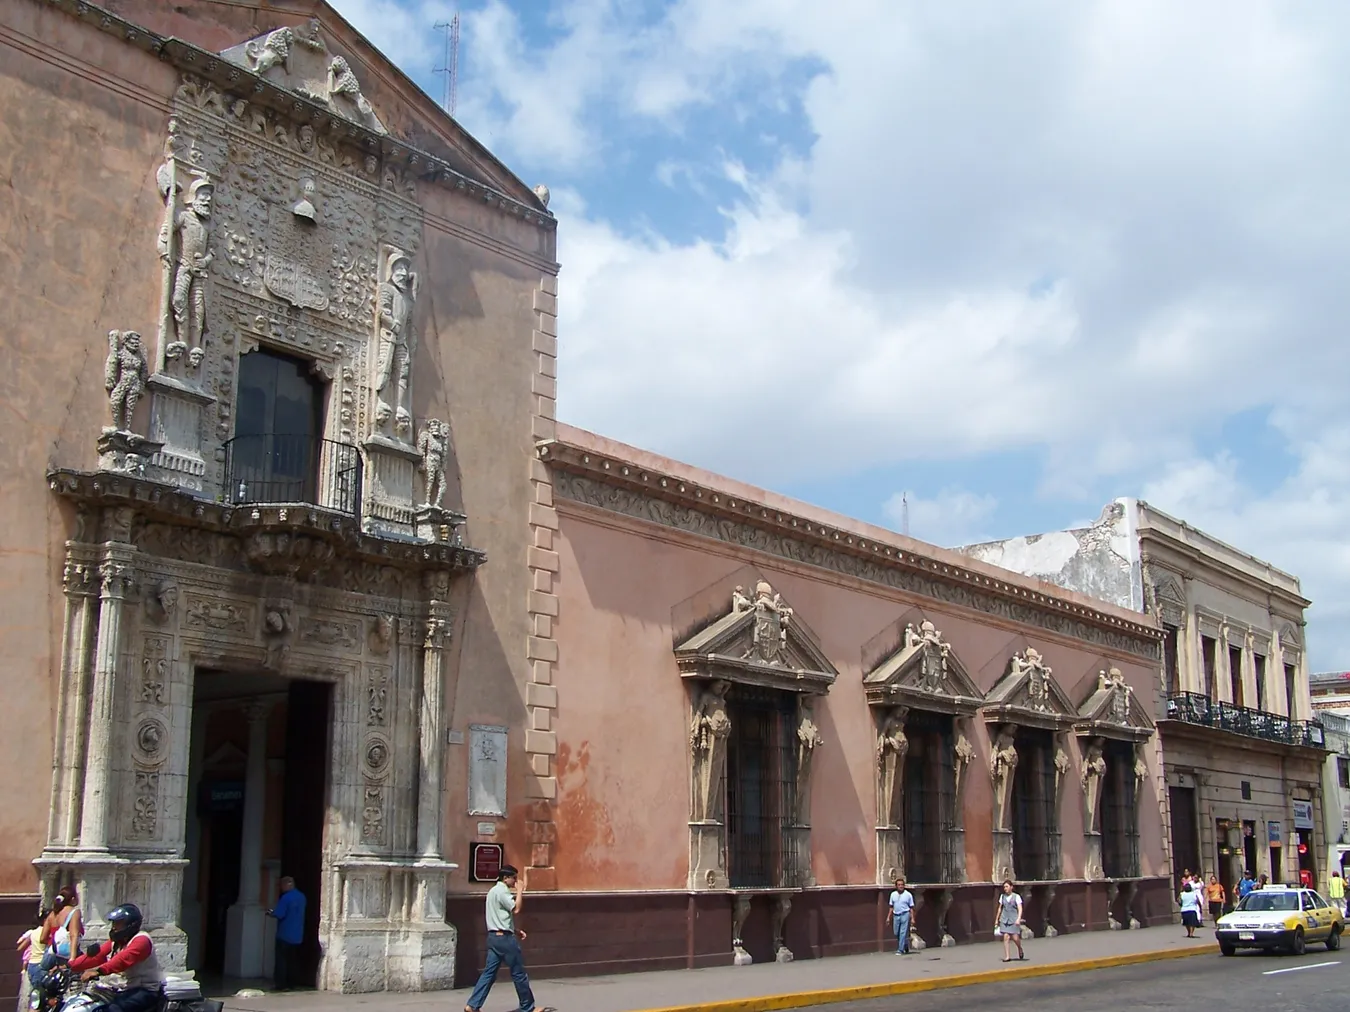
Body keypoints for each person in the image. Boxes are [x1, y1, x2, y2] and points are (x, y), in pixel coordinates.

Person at [464, 866, 552, 1012]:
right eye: (514, 878)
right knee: (519, 973)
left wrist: (515, 930)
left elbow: (498, 917)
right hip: (504, 940)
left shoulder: (492, 892)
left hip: (494, 937)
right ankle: (527, 1007)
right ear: (505, 878)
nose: (516, 881)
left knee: (489, 974)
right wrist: (520, 891)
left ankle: (472, 1005)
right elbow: (516, 909)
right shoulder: (502, 891)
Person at [68, 904, 163, 1012]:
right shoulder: (117, 942)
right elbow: (97, 956)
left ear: (130, 924)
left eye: (118, 923)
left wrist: (99, 971)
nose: (114, 927)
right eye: (113, 923)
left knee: (113, 1010)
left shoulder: (142, 940)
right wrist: (69, 966)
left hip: (143, 990)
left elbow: (122, 960)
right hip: (122, 989)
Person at [266, 876, 306, 991]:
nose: (281, 888)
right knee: (293, 961)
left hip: (284, 934)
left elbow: (280, 914)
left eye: (282, 885)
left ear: (288, 884)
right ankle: (292, 983)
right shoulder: (302, 897)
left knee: (281, 961)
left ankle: (281, 984)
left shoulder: (286, 898)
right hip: (297, 935)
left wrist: (271, 913)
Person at [40, 887, 81, 968]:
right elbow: (74, 935)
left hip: (50, 955)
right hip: (65, 956)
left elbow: (42, 938)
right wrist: (72, 958)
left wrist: (56, 943)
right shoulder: (74, 912)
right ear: (73, 899)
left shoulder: (52, 914)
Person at [994, 880, 1025, 962]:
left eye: (1007, 886)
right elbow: (1000, 908)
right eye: (1004, 887)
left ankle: (1019, 948)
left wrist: (1018, 918)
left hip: (1013, 919)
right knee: (1006, 937)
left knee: (1015, 938)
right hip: (1004, 919)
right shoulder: (1002, 896)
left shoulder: (1016, 897)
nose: (1005, 888)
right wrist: (997, 919)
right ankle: (1007, 956)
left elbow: (1020, 908)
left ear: (1011, 887)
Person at [888, 878, 915, 955]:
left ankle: (900, 950)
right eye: (899, 885)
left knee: (902, 932)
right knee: (896, 933)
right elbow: (891, 906)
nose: (901, 886)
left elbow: (911, 908)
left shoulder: (908, 895)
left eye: (902, 885)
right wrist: (888, 917)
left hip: (905, 914)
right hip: (896, 915)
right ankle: (905, 944)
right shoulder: (893, 894)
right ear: (896, 886)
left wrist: (912, 918)